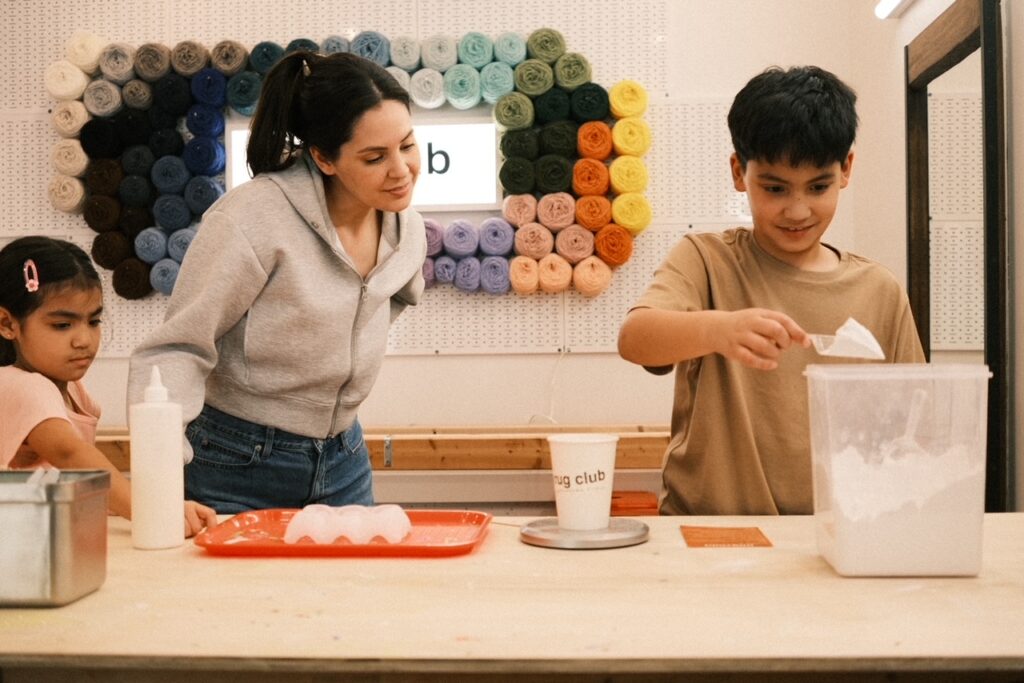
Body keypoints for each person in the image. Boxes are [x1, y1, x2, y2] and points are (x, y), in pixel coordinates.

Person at [618, 65, 925, 516]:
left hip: (837, 534)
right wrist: (718, 330)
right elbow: (635, 339)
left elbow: (914, 419)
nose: (798, 210)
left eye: (818, 186)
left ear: (846, 170)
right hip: (710, 531)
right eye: (775, 188)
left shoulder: (878, 290)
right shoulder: (706, 260)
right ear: (739, 172)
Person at [128, 51, 426, 514]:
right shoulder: (251, 218)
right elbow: (175, 350)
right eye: (374, 157)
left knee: (360, 587)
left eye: (407, 145)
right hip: (235, 461)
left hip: (344, 459)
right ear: (325, 158)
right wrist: (162, 476)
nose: (401, 170)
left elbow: (390, 299)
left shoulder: (407, 228)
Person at [0, 236, 217, 536]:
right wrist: (153, 512)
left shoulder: (73, 391)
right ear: (7, 324)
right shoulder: (21, 385)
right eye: (62, 325)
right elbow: (70, 455)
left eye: (93, 321)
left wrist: (166, 505)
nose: (84, 340)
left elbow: (86, 480)